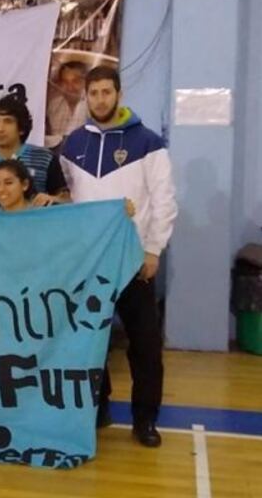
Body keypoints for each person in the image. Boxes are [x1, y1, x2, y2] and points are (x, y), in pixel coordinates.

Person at [59, 65, 177, 448]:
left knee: (144, 347)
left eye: (106, 92)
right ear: (87, 97)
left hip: (133, 262)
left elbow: (165, 202)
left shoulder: (148, 143)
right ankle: (98, 408)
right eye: (93, 93)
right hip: (90, 263)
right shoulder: (72, 144)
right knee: (91, 342)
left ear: (119, 94)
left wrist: (153, 249)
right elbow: (69, 201)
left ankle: (145, 419)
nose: (100, 99)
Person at [0, 96, 69, 213]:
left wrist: (53, 199)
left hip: (35, 227)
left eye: (8, 121)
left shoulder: (45, 158)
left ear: (21, 128)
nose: (0, 128)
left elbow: (67, 200)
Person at [46, 59, 88, 146]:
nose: (70, 87)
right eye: (65, 82)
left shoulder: (92, 105)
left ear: (85, 82)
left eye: (75, 81)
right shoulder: (54, 105)